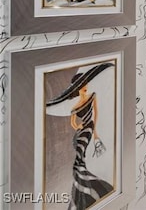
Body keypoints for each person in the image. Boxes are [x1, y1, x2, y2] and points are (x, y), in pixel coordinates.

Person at [46, 62, 115, 209]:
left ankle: (85, 185)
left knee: (80, 158)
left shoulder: (92, 97)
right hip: (81, 130)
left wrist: (95, 135)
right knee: (79, 157)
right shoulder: (77, 104)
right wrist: (77, 127)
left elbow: (94, 116)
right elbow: (72, 117)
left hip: (88, 128)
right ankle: (83, 188)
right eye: (81, 87)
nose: (84, 89)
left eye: (84, 86)